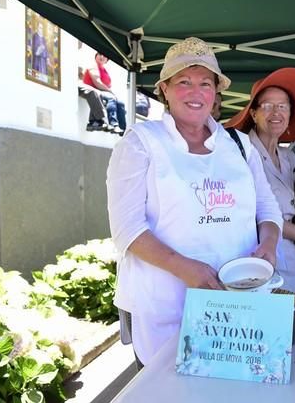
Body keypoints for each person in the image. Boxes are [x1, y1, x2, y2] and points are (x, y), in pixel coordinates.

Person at [106, 37, 283, 366]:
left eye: (205, 83)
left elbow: (268, 210)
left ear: (216, 92)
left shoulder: (240, 145)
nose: (195, 92)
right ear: (165, 90)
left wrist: (269, 245)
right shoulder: (141, 143)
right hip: (166, 304)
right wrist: (182, 267)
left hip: (238, 301)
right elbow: (127, 229)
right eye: (183, 82)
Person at [226, 68, 295, 293]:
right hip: (257, 254)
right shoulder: (241, 153)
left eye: (283, 106)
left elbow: (293, 206)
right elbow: (255, 213)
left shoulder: (289, 157)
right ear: (253, 114)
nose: (275, 112)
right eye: (267, 106)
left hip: (289, 255)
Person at [83, 52, 127, 135]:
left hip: (102, 92)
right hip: (93, 91)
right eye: (100, 54)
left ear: (107, 60)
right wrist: (110, 92)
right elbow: (97, 83)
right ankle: (113, 124)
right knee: (111, 98)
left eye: (105, 56)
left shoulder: (105, 70)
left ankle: (123, 129)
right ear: (96, 56)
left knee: (120, 103)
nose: (102, 57)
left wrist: (110, 91)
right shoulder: (93, 66)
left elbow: (109, 84)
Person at [78, 66, 108, 131]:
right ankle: (98, 119)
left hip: (81, 83)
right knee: (92, 92)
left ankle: (93, 121)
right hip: (75, 83)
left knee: (98, 93)